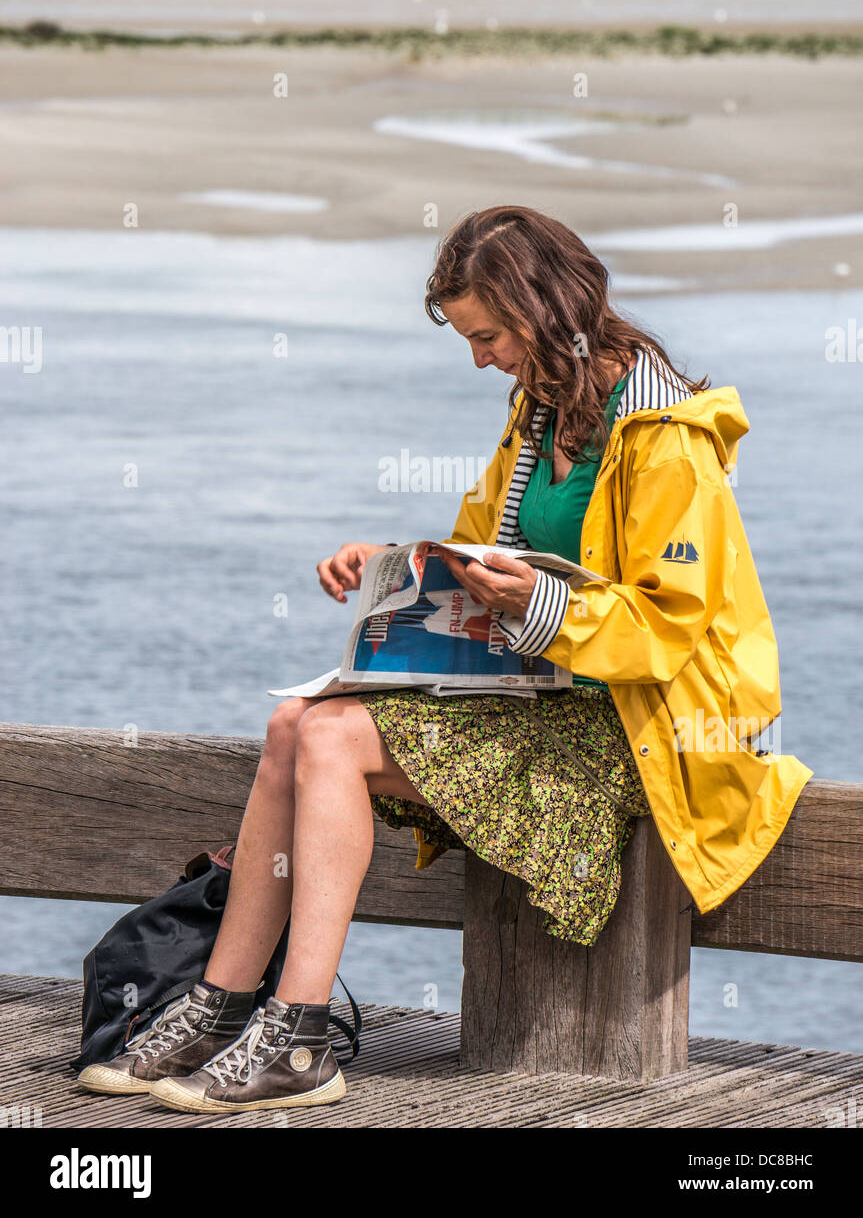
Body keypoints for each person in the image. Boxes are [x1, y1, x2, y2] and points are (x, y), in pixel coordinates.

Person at [77, 204, 813, 1114]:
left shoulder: (667, 439)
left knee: (335, 739)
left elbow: (670, 628)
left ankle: (299, 1035)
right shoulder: (541, 410)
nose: (480, 359)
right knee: (290, 724)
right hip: (550, 700)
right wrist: (392, 565)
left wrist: (537, 605)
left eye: (489, 335)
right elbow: (479, 551)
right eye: (470, 338)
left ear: (547, 310)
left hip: (643, 736)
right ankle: (222, 1004)